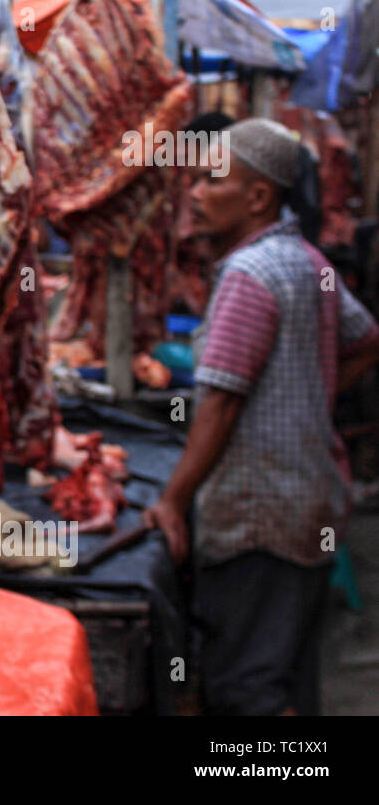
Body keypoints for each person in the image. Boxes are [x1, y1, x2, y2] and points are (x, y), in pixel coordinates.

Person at [144, 117, 379, 715]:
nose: (194, 193)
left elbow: (220, 402)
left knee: (245, 686)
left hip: (260, 516)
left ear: (257, 196)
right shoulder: (305, 259)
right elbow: (366, 337)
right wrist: (305, 392)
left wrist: (173, 502)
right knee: (289, 675)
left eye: (211, 179)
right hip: (310, 500)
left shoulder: (249, 275)